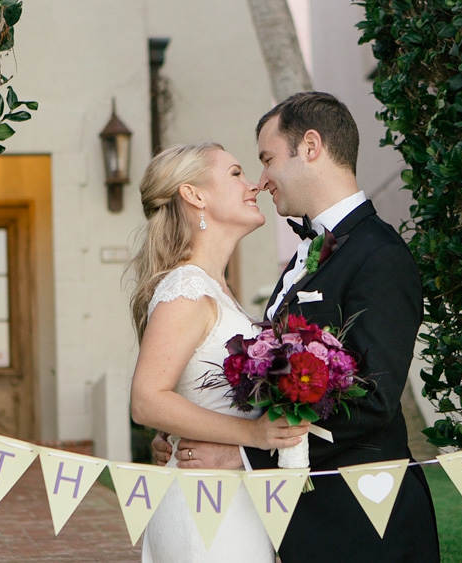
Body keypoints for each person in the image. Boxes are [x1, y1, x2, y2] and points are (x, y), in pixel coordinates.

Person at [152, 92, 440, 562]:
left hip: (365, 522)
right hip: (309, 523)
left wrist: (245, 455)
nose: (261, 179)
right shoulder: (308, 255)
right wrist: (190, 426)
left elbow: (373, 399)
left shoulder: (379, 255)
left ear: (310, 147)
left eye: (267, 159)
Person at [128, 142, 309, 562]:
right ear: (194, 195)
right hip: (204, 509)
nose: (254, 185)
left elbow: (191, 388)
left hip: (228, 498)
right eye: (235, 174)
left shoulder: (215, 288)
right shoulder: (186, 289)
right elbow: (147, 399)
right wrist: (252, 436)